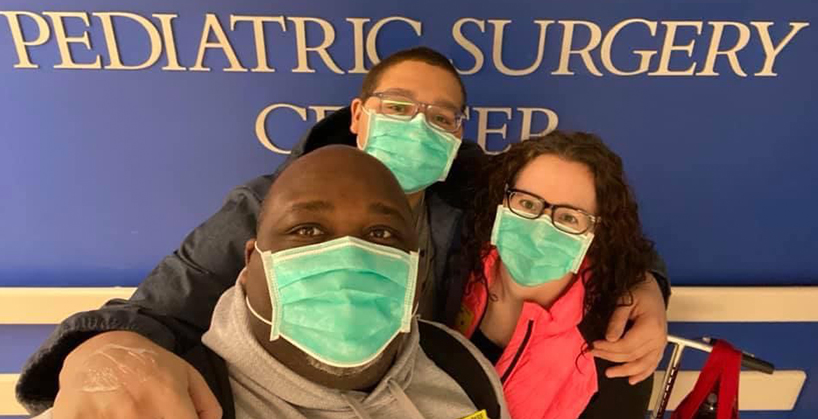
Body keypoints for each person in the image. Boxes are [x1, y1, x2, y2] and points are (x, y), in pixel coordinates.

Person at [17, 47, 670, 418]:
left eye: (441, 117)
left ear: (455, 137)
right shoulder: (267, 204)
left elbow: (575, 220)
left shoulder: (469, 196)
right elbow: (159, 308)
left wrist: (647, 287)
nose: (418, 126)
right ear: (359, 114)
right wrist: (103, 351)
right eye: (398, 107)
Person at [35, 146, 510, 419]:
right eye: (308, 230)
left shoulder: (459, 366)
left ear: (416, 266)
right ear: (252, 259)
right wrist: (103, 347)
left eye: (381, 234)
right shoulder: (166, 401)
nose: (349, 255)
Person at [455, 131, 660, 419]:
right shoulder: (456, 265)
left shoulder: (615, 350)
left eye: (568, 217)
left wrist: (650, 286)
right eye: (527, 203)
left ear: (596, 232)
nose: (539, 230)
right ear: (502, 199)